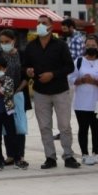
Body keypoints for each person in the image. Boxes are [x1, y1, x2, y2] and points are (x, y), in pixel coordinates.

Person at [21, 14, 79, 169]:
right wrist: (29, 71)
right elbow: (24, 66)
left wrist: (52, 74)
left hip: (60, 90)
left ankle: (68, 156)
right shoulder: (31, 46)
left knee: (64, 125)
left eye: (44, 23)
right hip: (40, 92)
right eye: (38, 22)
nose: (40, 25)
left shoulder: (60, 45)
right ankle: (50, 157)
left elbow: (70, 67)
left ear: (51, 26)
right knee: (44, 126)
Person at [0, 29, 28, 167]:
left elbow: (27, 75)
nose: (4, 44)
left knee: (19, 125)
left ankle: (19, 155)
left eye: (7, 42)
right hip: (3, 94)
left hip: (18, 93)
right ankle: (9, 155)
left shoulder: (22, 55)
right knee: (7, 125)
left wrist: (17, 90)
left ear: (13, 41)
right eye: (2, 42)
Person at [72, 35, 98, 165]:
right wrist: (81, 80)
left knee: (96, 130)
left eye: (93, 45)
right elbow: (70, 79)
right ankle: (84, 154)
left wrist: (95, 81)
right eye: (88, 45)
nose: (90, 48)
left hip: (97, 102)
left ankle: (95, 153)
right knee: (83, 129)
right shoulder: (79, 61)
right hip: (81, 103)